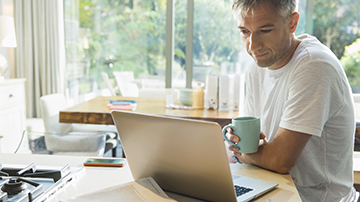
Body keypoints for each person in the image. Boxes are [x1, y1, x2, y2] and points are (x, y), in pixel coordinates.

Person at [226, 0, 356, 201]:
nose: (253, 46)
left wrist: (240, 152)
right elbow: (250, 147)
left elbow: (280, 161)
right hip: (273, 189)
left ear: (292, 23)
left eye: (265, 30)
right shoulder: (257, 68)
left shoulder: (314, 65)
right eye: (244, 31)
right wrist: (239, 146)